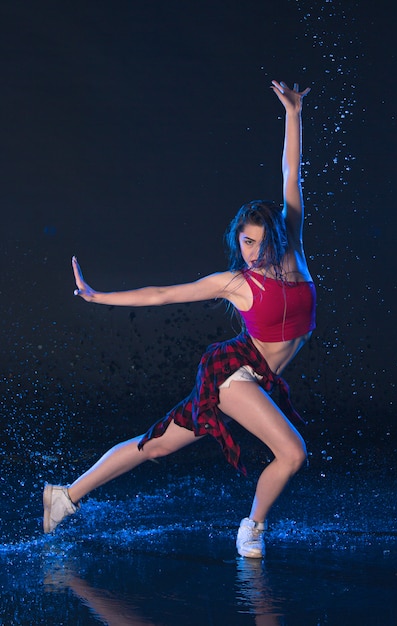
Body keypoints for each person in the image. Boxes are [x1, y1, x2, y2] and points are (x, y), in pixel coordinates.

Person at [43, 80, 316, 559]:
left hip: (258, 378)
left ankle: (64, 496)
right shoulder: (236, 282)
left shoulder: (294, 252)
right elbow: (162, 294)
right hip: (234, 378)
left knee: (157, 447)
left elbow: (290, 175)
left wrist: (293, 113)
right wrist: (96, 295)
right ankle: (251, 528)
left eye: (259, 241)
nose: (252, 251)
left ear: (277, 234)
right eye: (245, 242)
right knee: (292, 454)